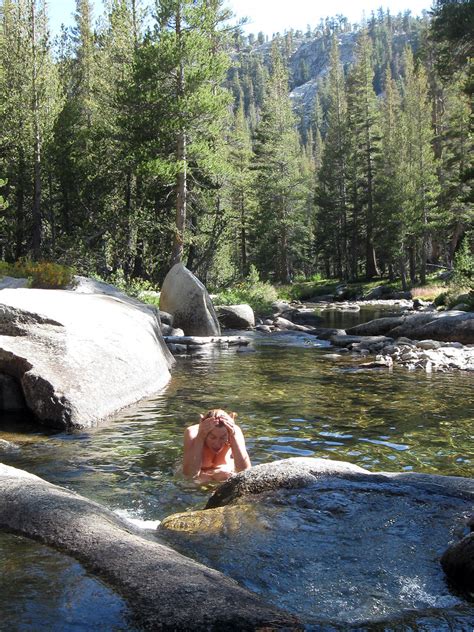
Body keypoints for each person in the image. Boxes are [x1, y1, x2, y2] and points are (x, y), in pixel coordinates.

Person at [182, 408, 251, 482]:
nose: (217, 444)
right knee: (191, 484)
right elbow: (190, 475)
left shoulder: (233, 430)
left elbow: (245, 472)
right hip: (201, 477)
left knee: (230, 478)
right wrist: (200, 438)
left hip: (224, 473)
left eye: (223, 437)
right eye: (212, 437)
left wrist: (233, 436)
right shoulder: (193, 433)